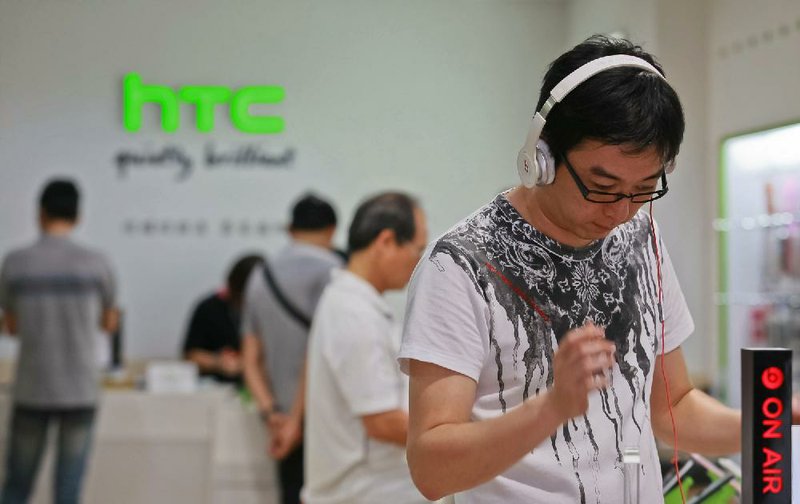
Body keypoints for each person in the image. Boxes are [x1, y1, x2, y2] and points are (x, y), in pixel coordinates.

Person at [400, 35, 800, 504]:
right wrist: (551, 408)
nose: (622, 211)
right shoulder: (461, 264)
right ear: (541, 157)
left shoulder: (639, 237)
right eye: (602, 186)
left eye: (645, 188)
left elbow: (673, 409)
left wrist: (779, 418)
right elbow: (430, 468)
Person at [302, 192, 429, 504]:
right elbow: (382, 422)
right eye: (418, 250)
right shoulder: (353, 312)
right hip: (364, 490)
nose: (418, 262)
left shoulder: (357, 304)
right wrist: (454, 433)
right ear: (386, 242)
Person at [0, 178, 118, 504]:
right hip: (80, 388)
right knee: (68, 491)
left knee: (16, 486)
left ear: (40, 213)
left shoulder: (16, 263)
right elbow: (108, 323)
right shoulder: (98, 264)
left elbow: (11, 327)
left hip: (32, 387)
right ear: (78, 216)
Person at [241, 193, 343, 504]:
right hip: (327, 417)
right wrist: (297, 421)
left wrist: (274, 412)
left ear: (289, 229)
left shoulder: (261, 274)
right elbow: (322, 351)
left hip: (279, 420)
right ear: (331, 230)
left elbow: (250, 359)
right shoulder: (336, 272)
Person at [182, 254, 264, 385]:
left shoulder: (273, 313)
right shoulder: (209, 308)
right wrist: (217, 362)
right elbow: (190, 356)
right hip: (217, 387)